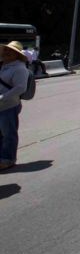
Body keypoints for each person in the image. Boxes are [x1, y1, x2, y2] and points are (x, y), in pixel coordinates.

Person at [0, 41, 30, 170]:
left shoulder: (19, 68)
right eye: (5, 50)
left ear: (17, 55)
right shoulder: (2, 65)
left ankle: (8, 159)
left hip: (9, 105)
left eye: (10, 51)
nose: (6, 52)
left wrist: (2, 97)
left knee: (8, 134)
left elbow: (20, 88)